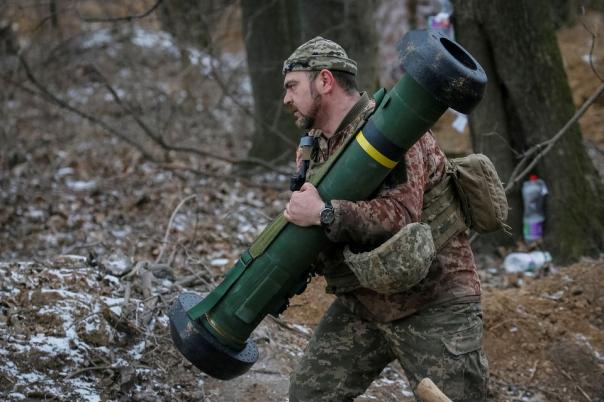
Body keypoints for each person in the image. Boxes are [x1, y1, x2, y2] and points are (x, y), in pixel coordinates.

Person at [281, 36, 488, 401]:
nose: (286, 99)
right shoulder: (316, 148)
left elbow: (400, 215)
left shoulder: (394, 127)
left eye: (292, 86)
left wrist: (325, 213)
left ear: (324, 81)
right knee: (309, 395)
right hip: (364, 303)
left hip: (434, 302)